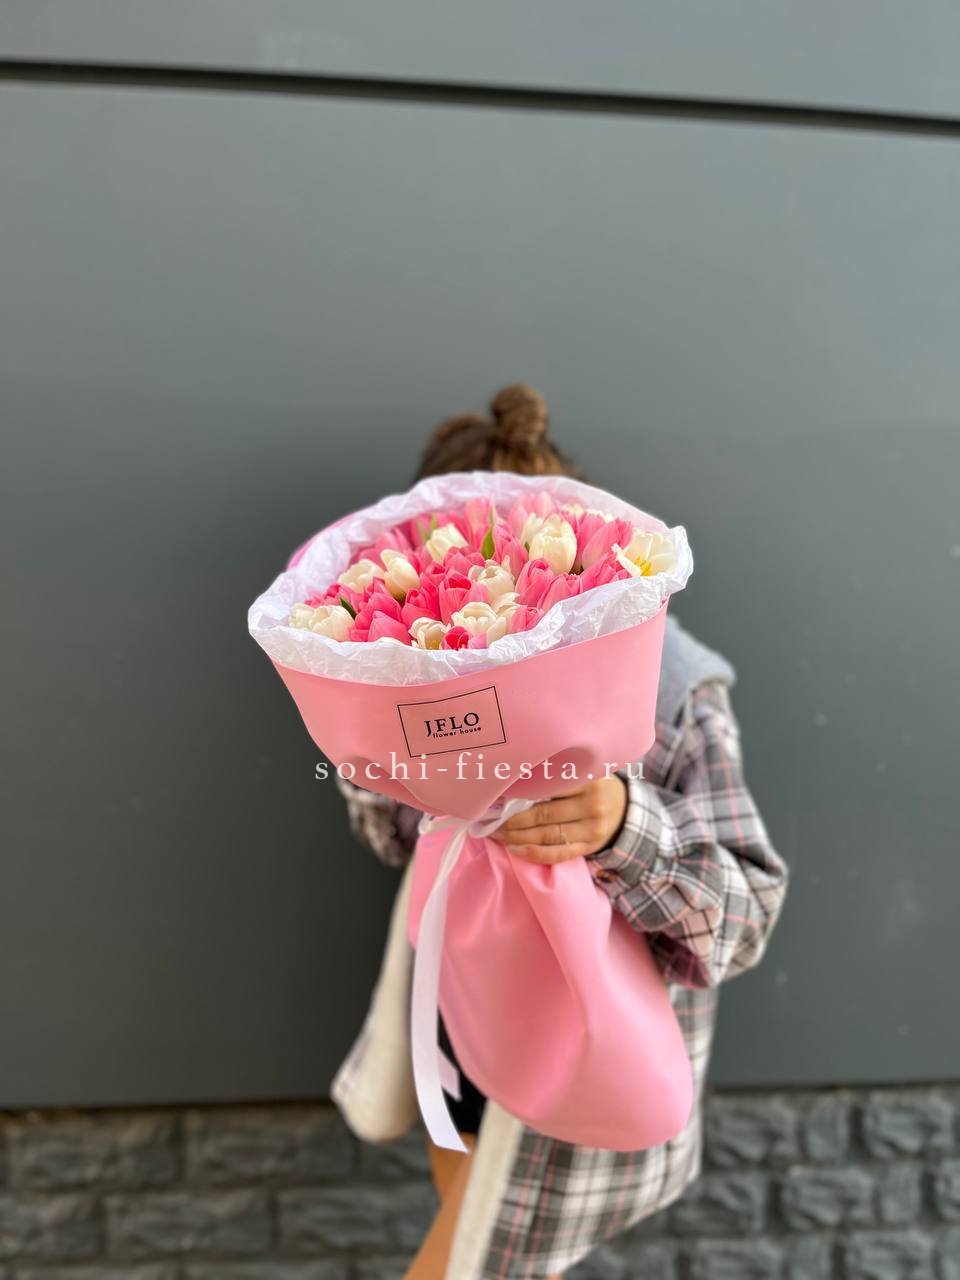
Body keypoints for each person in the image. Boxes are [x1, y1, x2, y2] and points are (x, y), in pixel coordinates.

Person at [332, 384, 790, 1280]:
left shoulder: (673, 694)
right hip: (462, 1021)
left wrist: (621, 826)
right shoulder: (413, 666)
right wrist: (409, 772)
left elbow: (747, 913)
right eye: (454, 573)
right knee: (469, 1239)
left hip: (583, 1051)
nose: (491, 599)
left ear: (587, 549)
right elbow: (386, 833)